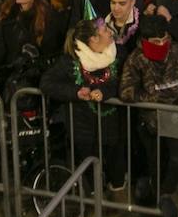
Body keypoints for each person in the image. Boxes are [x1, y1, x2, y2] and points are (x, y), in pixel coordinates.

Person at [119, 14, 178, 217]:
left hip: (176, 118)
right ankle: (160, 216)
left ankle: (165, 195)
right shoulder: (136, 58)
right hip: (150, 123)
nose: (162, 44)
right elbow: (126, 91)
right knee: (156, 166)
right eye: (156, 41)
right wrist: (155, 98)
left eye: (164, 39)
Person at [40, 18, 127, 192]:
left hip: (111, 128)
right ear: (93, 39)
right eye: (105, 31)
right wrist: (76, 92)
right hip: (83, 128)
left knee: (114, 167)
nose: (110, 32)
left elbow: (124, 83)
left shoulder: (119, 55)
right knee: (88, 172)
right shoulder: (70, 61)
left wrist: (105, 92)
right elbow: (47, 83)